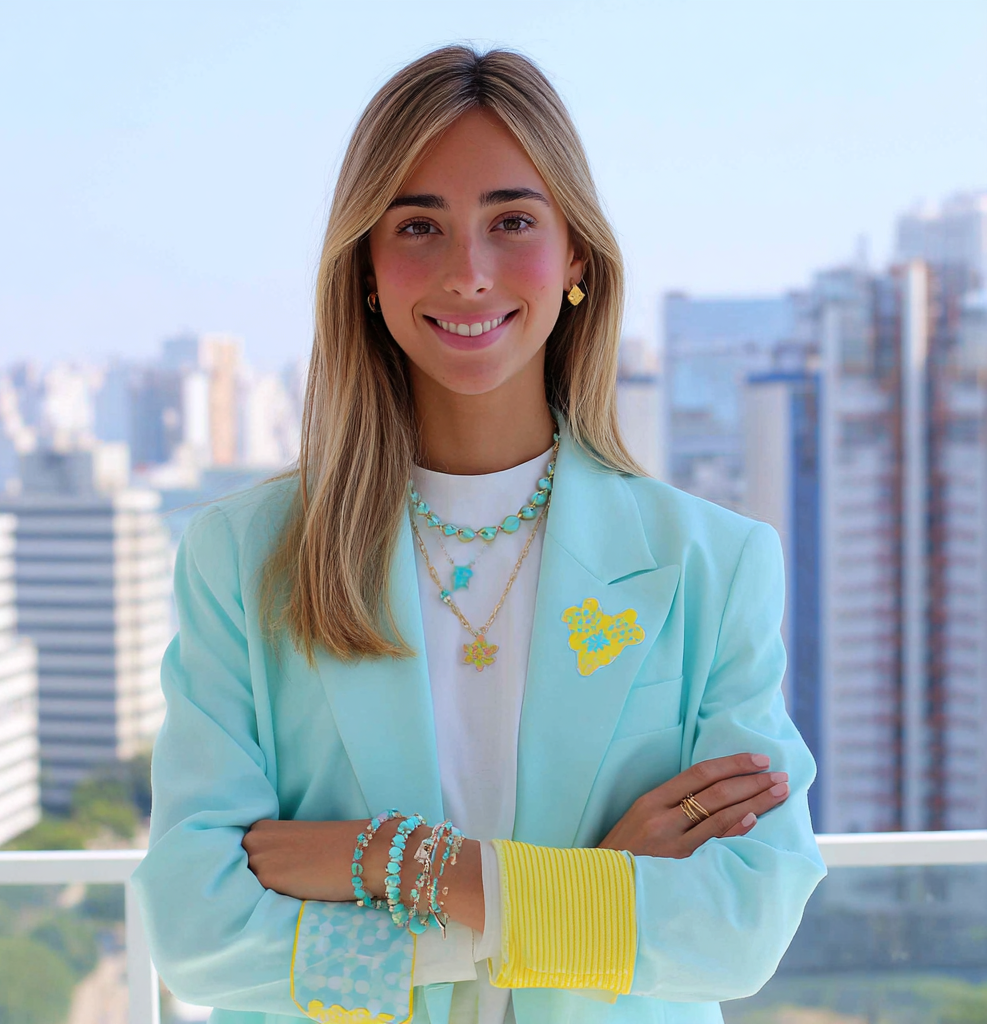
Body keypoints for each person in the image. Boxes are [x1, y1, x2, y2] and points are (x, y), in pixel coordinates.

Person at [132, 45, 826, 1024]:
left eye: (511, 222)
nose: (467, 271)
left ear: (574, 255)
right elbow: (199, 935)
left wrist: (394, 861)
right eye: (418, 225)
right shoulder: (243, 559)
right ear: (366, 270)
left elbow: (738, 927)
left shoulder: (710, 565)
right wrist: (567, 899)